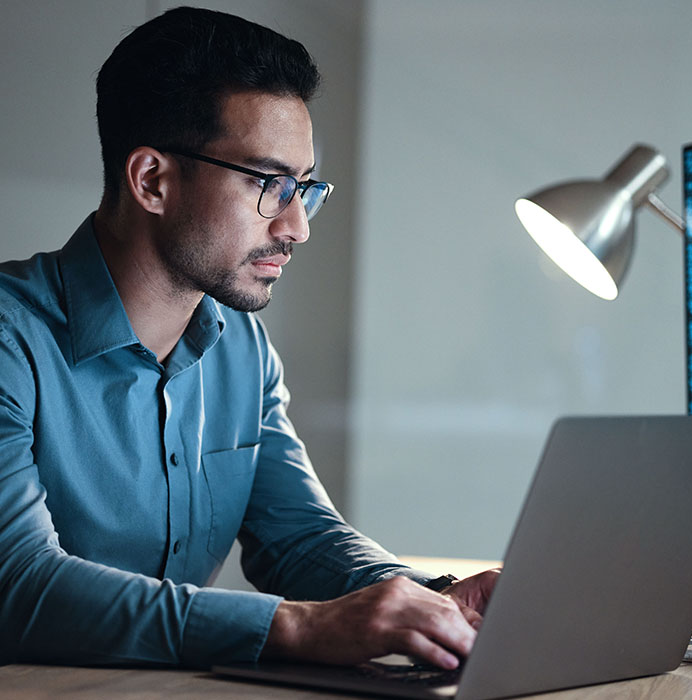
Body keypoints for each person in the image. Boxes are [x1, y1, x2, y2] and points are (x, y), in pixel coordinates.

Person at [0, 6, 498, 671]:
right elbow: (21, 586)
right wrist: (297, 628)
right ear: (152, 180)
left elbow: (299, 538)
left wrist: (435, 600)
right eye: (270, 184)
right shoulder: (11, 340)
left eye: (305, 187)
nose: (298, 226)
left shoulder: (243, 349)